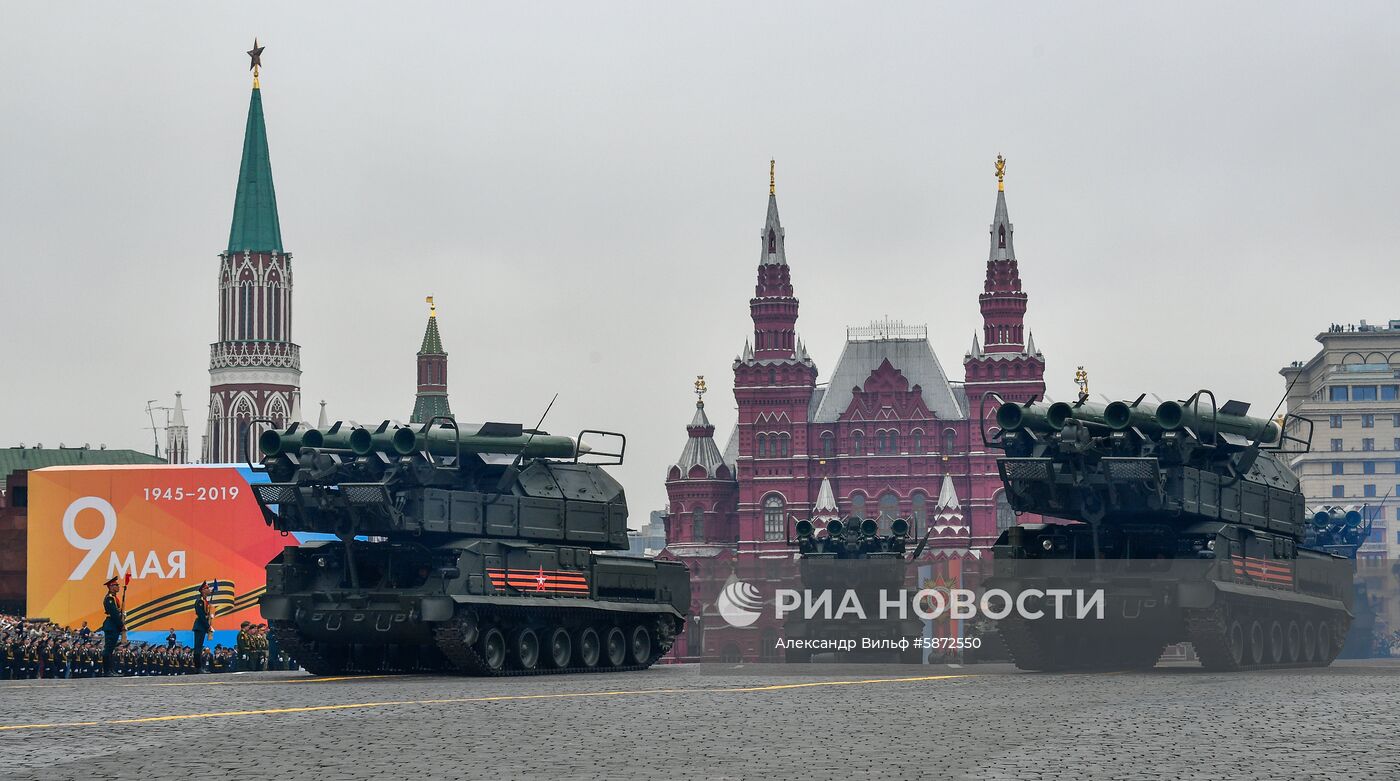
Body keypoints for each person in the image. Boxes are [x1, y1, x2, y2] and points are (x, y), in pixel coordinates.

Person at [100, 576, 125, 676]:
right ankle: (107, 671)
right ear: (111, 587)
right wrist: (121, 625)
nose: (118, 587)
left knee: (111, 650)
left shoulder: (114, 597)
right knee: (108, 649)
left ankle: (111, 670)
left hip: (113, 625)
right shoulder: (110, 598)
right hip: (111, 625)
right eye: (116, 585)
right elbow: (114, 613)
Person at [191, 581, 212, 672]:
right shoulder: (200, 601)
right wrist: (208, 626)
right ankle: (198, 667)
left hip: (202, 626)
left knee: (200, 647)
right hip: (200, 626)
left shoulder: (205, 601)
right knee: (198, 648)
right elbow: (201, 615)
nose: (209, 589)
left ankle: (198, 667)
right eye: (207, 588)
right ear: (203, 590)